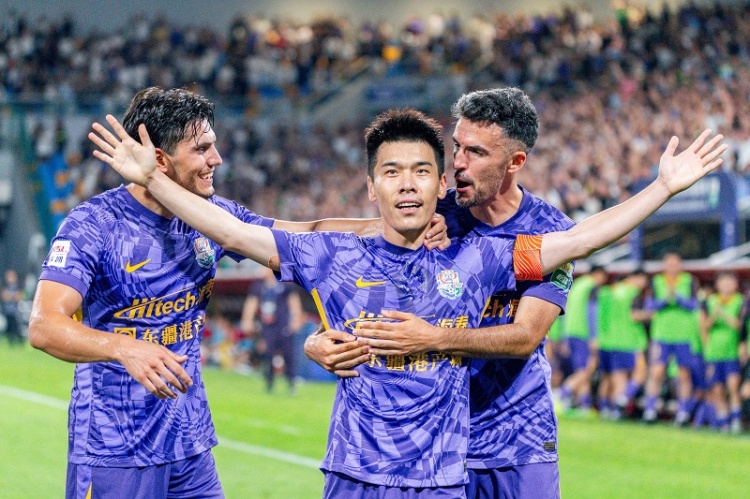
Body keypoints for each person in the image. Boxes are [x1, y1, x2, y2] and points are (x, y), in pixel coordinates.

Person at [92, 100, 723, 496]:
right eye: (391, 173)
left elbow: (578, 240)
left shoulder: (481, 257)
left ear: (441, 182)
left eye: (422, 172)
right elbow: (234, 233)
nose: (407, 186)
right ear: (371, 188)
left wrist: (661, 189)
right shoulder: (332, 254)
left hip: (442, 479)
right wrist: (155, 182)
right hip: (353, 475)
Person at [27, 87, 449, 499]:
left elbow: (307, 233)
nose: (216, 159)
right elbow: (45, 326)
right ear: (160, 159)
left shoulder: (212, 216)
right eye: (201, 149)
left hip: (190, 443)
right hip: (115, 448)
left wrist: (398, 223)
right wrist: (124, 348)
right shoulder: (94, 224)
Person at [642, 252, 700, 425]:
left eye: (676, 262)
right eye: (669, 263)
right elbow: (649, 305)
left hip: (683, 335)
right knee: (657, 372)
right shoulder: (656, 281)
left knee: (684, 374)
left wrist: (679, 298)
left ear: (681, 264)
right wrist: (666, 300)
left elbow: (695, 305)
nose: (673, 266)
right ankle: (650, 410)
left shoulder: (690, 281)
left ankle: (683, 413)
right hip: (662, 334)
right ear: (664, 264)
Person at [595, 268, 651, 420]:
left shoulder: (607, 292)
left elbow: (599, 315)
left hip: (607, 341)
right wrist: (652, 314)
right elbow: (634, 315)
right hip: (629, 340)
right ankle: (620, 403)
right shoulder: (634, 293)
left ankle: (607, 410)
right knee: (640, 373)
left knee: (613, 378)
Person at [240, 266, 304, 393]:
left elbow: (294, 303)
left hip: (284, 326)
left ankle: (291, 382)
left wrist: (296, 320)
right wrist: (247, 321)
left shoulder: (285, 285)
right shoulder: (258, 286)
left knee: (288, 355)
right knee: (268, 354)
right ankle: (269, 383)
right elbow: (251, 304)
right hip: (268, 327)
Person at [559, 266, 608, 416]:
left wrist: (564, 336)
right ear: (598, 274)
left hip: (571, 332)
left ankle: (585, 406)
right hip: (584, 333)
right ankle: (561, 394)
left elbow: (565, 310)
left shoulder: (577, 285)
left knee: (580, 369)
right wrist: (594, 336)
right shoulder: (592, 287)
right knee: (587, 369)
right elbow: (591, 312)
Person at [700, 272, 744, 432]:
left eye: (730, 282)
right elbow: (704, 326)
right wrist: (714, 316)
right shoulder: (710, 301)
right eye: (723, 282)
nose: (726, 285)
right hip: (714, 352)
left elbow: (741, 326)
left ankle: (736, 420)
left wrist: (723, 314)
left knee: (733, 386)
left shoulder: (741, 301)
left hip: (732, 352)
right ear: (717, 284)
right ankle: (723, 421)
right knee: (717, 389)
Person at [1, 269, 25, 346]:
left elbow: (19, 297)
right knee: (9, 326)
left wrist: (10, 297)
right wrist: (12, 297)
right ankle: (11, 341)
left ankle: (21, 341)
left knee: (17, 326)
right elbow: (4, 297)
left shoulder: (18, 286)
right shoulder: (5, 286)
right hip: (7, 310)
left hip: (16, 311)